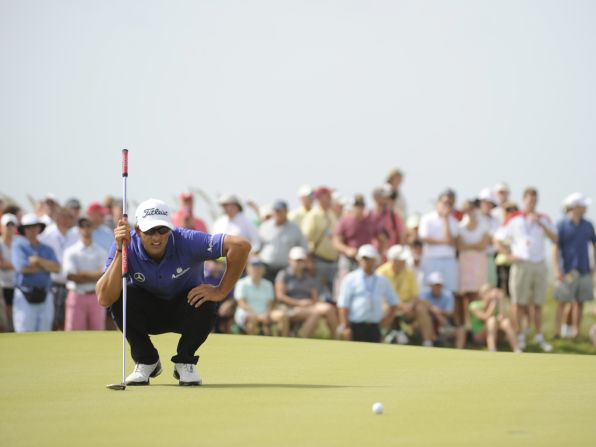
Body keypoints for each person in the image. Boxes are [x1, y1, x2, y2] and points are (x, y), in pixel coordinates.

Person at [96, 198, 251, 386]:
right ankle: (146, 361)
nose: (157, 237)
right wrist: (121, 251)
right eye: (150, 231)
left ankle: (185, 361)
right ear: (137, 230)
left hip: (185, 309)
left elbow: (241, 246)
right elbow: (104, 298)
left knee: (207, 299)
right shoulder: (125, 245)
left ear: (170, 228)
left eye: (162, 230)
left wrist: (220, 291)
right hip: (148, 312)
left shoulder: (187, 240)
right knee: (121, 295)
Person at [495, 187, 556, 352]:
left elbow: (555, 238)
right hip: (521, 264)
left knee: (538, 302)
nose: (532, 203)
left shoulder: (544, 218)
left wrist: (540, 223)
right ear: (524, 200)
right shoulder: (513, 218)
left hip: (539, 264)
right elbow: (497, 239)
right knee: (518, 303)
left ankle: (538, 336)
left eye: (534, 200)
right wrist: (509, 255)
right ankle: (519, 336)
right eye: (529, 200)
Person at [552, 193, 596, 339]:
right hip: (567, 271)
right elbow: (555, 248)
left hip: (584, 270)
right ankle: (557, 333)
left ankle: (576, 333)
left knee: (580, 302)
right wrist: (557, 269)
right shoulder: (561, 225)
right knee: (563, 301)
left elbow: (594, 246)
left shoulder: (588, 225)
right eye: (583, 205)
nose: (585, 208)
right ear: (575, 207)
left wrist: (594, 267)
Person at [337, 244, 398, 343]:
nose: (366, 261)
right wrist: (346, 326)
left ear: (375, 260)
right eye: (363, 258)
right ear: (359, 260)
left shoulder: (382, 280)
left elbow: (394, 303)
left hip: (375, 327)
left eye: (369, 259)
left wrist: (386, 321)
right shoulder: (351, 278)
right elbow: (343, 304)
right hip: (355, 326)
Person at [376, 245, 435, 346]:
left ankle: (427, 343)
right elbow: (380, 297)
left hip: (407, 306)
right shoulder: (381, 273)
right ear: (394, 260)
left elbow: (415, 295)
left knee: (421, 308)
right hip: (389, 305)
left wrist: (410, 305)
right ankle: (380, 338)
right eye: (401, 260)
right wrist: (400, 306)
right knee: (385, 308)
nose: (404, 262)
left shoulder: (409, 272)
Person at [275, 246, 337, 338]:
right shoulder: (284, 275)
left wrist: (310, 304)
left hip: (307, 305)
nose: (299, 263)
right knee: (314, 314)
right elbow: (280, 296)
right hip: (290, 307)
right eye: (296, 260)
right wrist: (299, 303)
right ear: (290, 261)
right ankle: (303, 340)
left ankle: (335, 338)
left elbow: (314, 297)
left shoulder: (308, 276)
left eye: (301, 260)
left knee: (329, 309)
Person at [12, 214, 60, 332]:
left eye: (34, 226)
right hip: (24, 294)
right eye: (28, 227)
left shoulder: (47, 248)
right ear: (23, 229)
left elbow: (57, 268)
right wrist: (46, 266)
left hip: (45, 294)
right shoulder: (18, 245)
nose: (31, 230)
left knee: (44, 333)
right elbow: (22, 268)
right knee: (24, 333)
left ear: (39, 228)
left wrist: (38, 261)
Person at [62, 215, 108, 330]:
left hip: (96, 297)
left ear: (93, 228)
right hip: (77, 295)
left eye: (88, 225)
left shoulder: (101, 251)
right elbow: (71, 276)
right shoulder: (70, 251)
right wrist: (95, 274)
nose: (85, 228)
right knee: (74, 335)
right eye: (82, 226)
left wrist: (81, 274)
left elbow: (104, 275)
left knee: (98, 334)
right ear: (78, 229)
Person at [455, 199, 491, 348]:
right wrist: (473, 246)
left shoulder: (483, 225)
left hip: (478, 264)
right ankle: (464, 332)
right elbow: (460, 245)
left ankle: (477, 332)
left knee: (476, 297)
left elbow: (483, 244)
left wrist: (470, 246)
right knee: (462, 299)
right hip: (464, 264)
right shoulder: (460, 226)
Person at [39, 207, 78, 330]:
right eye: (70, 217)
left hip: (71, 286)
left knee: (67, 322)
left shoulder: (76, 234)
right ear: (61, 218)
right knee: (53, 321)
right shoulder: (46, 235)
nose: (73, 220)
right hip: (53, 285)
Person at [234, 257, 289, 336]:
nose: (256, 269)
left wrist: (267, 313)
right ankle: (251, 343)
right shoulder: (241, 283)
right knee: (252, 318)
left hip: (265, 313)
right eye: (253, 266)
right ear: (248, 269)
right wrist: (258, 315)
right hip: (247, 313)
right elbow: (242, 304)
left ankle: (281, 342)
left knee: (283, 316)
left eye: (259, 267)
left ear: (263, 270)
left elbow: (270, 304)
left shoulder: (268, 284)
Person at [301, 186, 339, 301]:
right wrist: (309, 261)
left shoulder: (331, 214)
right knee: (316, 291)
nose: (329, 199)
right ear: (320, 198)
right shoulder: (313, 216)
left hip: (332, 260)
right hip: (318, 260)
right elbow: (305, 240)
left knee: (332, 292)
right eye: (326, 197)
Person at [418, 192, 460, 294]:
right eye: (444, 203)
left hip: (449, 259)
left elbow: (451, 240)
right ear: (438, 202)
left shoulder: (453, 221)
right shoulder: (427, 218)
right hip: (430, 259)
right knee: (428, 289)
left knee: (450, 290)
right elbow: (424, 238)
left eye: (450, 204)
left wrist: (445, 219)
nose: (446, 206)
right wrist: (444, 242)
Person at [258, 200, 308, 283]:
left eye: (279, 211)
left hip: (286, 268)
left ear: (286, 211)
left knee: (281, 293)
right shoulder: (264, 227)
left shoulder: (295, 228)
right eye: (275, 211)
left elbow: (304, 247)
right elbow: (257, 246)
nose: (277, 213)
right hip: (266, 267)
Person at [333, 194, 379, 282]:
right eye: (357, 205)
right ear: (352, 207)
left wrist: (377, 253)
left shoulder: (370, 221)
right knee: (345, 283)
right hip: (349, 259)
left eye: (361, 206)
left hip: (366, 259)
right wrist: (347, 250)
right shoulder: (344, 221)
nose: (359, 208)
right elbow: (336, 242)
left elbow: (380, 239)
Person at [468, 286, 520, 352]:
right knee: (491, 320)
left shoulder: (496, 304)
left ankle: (517, 349)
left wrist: (501, 300)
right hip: (479, 335)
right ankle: (492, 349)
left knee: (506, 322)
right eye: (487, 292)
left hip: (496, 333)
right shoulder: (474, 305)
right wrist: (493, 303)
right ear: (482, 294)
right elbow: (485, 317)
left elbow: (507, 317)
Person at [369, 186, 406, 257]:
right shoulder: (368, 215)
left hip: (390, 256)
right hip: (372, 257)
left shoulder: (393, 215)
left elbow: (401, 235)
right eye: (383, 197)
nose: (386, 199)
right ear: (376, 198)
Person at [419, 272, 455, 344]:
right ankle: (429, 341)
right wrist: (433, 309)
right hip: (429, 320)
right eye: (435, 285)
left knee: (460, 330)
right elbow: (421, 303)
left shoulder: (448, 295)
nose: (437, 287)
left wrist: (438, 312)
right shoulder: (424, 292)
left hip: (443, 324)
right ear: (430, 285)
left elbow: (449, 313)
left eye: (439, 285)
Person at [0, 214, 17, 331]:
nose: (10, 228)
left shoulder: (19, 243)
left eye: (12, 225)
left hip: (16, 285)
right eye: (7, 225)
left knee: (14, 317)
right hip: (2, 286)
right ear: (2, 227)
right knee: (4, 318)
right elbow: (1, 265)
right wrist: (19, 264)